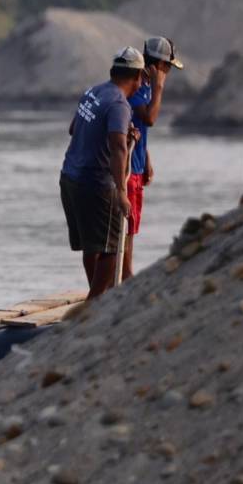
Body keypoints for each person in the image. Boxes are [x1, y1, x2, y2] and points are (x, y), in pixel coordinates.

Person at [59, 47, 145, 299]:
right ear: (137, 77)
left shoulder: (93, 92)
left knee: (92, 244)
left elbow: (74, 128)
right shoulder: (120, 104)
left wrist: (117, 131)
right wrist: (121, 192)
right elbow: (118, 148)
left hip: (69, 177)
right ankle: (95, 305)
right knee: (112, 245)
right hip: (95, 184)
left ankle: (96, 297)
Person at [123, 36, 184, 278]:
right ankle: (126, 277)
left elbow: (138, 126)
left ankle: (126, 274)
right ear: (156, 66)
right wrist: (159, 87)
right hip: (127, 168)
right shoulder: (139, 87)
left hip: (137, 165)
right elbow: (149, 118)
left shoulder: (145, 87)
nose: (168, 72)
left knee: (132, 226)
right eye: (167, 67)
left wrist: (146, 157)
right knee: (126, 228)